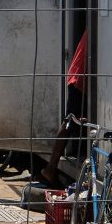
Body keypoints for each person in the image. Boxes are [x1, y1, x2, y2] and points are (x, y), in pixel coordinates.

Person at [36, 30, 89, 188]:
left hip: (79, 77)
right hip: (80, 78)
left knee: (72, 120)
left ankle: (51, 168)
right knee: (70, 121)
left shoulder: (93, 27)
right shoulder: (97, 27)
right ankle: (51, 168)